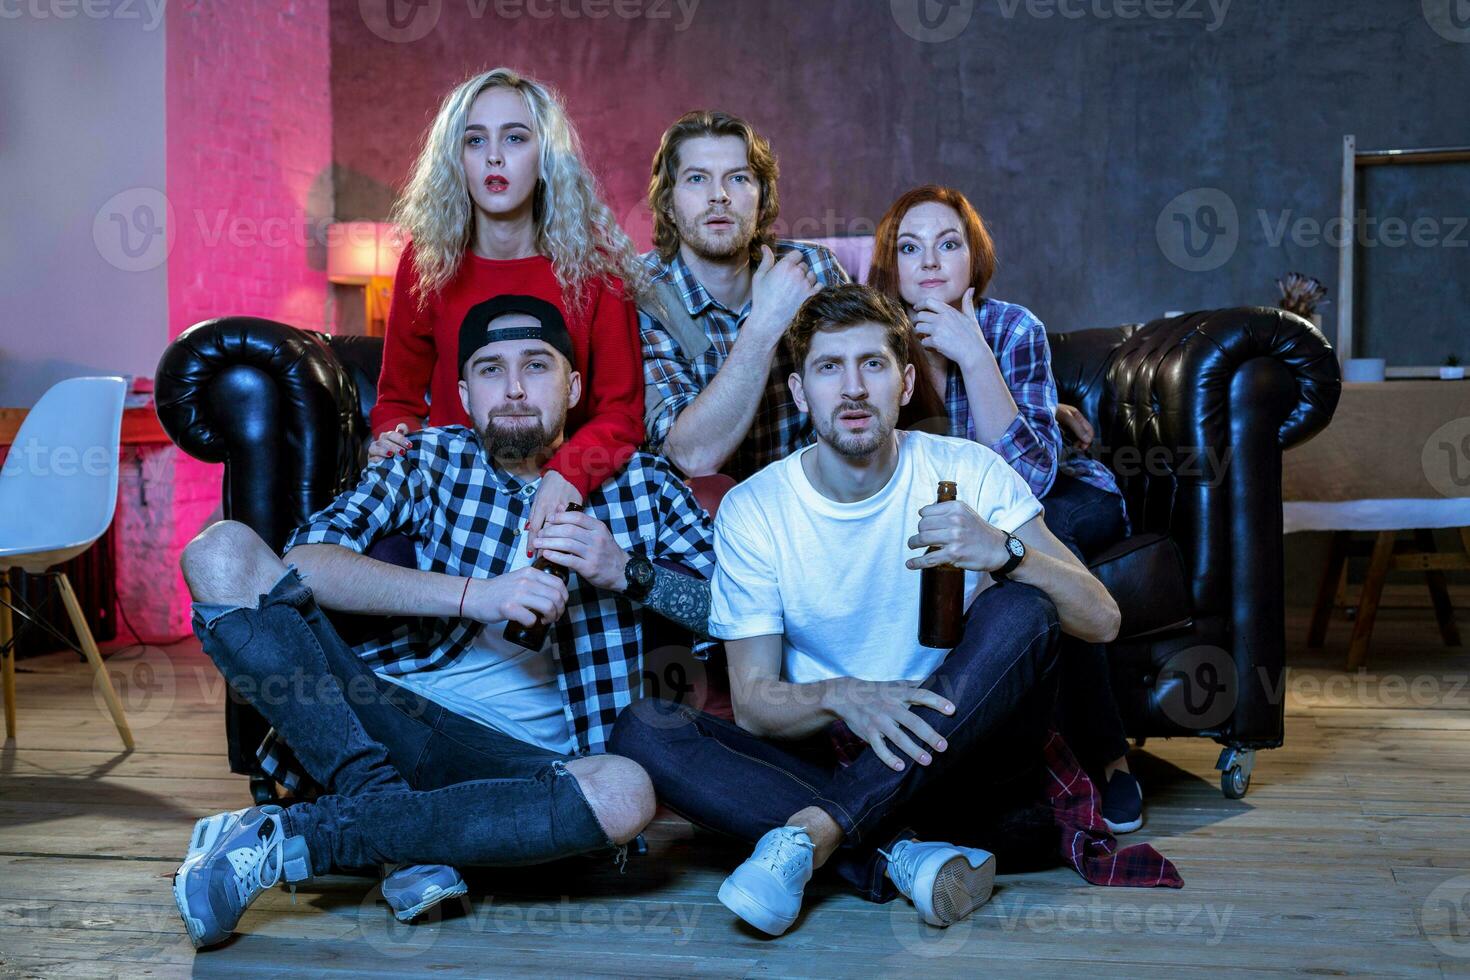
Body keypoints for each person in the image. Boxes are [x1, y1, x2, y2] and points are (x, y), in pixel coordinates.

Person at [172, 296, 715, 950]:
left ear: (574, 385)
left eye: (536, 366)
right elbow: (307, 564)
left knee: (627, 794)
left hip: (526, 773)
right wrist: (476, 597)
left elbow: (729, 611)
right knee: (221, 549)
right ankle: (391, 820)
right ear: (463, 392)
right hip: (387, 720)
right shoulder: (434, 460)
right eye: (490, 370)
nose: (513, 388)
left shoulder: (644, 482)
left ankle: (322, 836)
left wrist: (628, 570)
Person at [611, 284, 1121, 936]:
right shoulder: (756, 509)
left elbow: (1102, 619)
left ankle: (815, 832)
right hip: (846, 759)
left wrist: (1003, 550)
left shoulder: (968, 470)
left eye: (872, 365)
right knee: (644, 729)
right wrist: (844, 696)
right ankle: (904, 857)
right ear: (800, 392)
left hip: (975, 764)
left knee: (1026, 607)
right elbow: (758, 702)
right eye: (829, 368)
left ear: (904, 383)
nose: (853, 388)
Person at [867, 185, 1143, 833]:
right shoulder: (879, 341)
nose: (930, 261)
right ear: (892, 264)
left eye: (948, 244)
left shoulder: (1010, 327)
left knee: (1041, 566)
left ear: (974, 256)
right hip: (969, 518)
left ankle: (1109, 757)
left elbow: (1032, 477)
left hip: (1063, 498)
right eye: (910, 247)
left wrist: (974, 354)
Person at [368, 67, 646, 541]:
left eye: (515, 139)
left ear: (546, 158)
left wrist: (567, 475)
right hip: (454, 491)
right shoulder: (426, 259)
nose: (493, 157)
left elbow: (621, 411)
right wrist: (393, 439)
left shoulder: (597, 264)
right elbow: (398, 398)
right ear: (456, 160)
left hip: (563, 489)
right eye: (475, 142)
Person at [639, 110, 849, 481]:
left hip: (814, 502)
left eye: (737, 178)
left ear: (762, 197)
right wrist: (766, 322)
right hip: (700, 523)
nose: (718, 196)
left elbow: (861, 397)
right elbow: (693, 456)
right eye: (697, 179)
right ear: (668, 204)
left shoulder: (813, 268)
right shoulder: (641, 292)